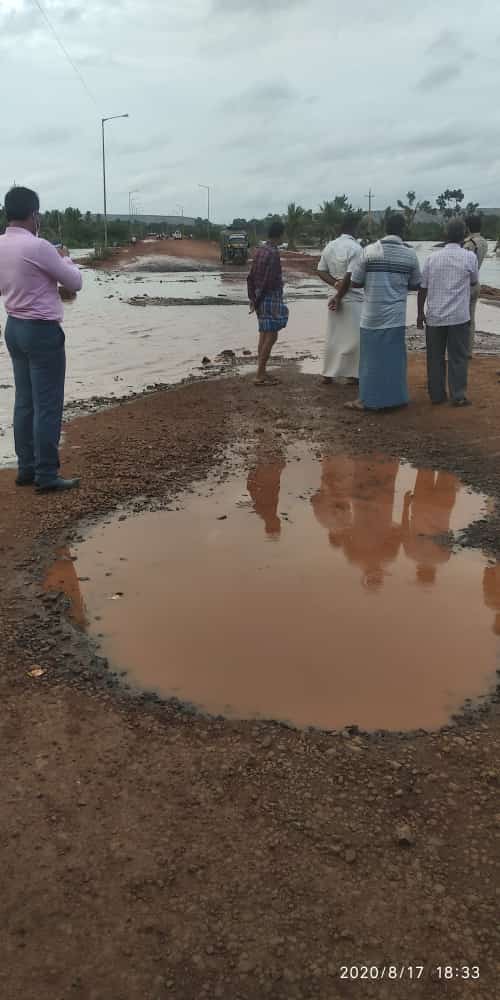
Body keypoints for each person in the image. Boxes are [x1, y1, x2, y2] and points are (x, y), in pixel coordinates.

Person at [0, 186, 82, 491]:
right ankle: (47, 475)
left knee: (24, 401)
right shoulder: (40, 246)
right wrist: (67, 259)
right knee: (47, 404)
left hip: (14, 327)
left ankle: (26, 468)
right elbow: (74, 282)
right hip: (42, 331)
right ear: (34, 215)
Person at [345, 213, 421, 411]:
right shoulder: (410, 254)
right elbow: (415, 284)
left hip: (372, 315)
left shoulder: (369, 251)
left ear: (385, 228)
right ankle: (396, 399)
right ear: (403, 230)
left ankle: (367, 400)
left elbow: (355, 282)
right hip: (396, 316)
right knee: (394, 359)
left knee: (371, 360)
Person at [417, 218, 478, 407]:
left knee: (434, 358)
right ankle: (458, 396)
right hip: (459, 317)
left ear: (445, 235)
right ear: (464, 235)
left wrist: (420, 313)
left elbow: (423, 289)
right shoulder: (470, 257)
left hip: (435, 317)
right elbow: (474, 282)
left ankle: (436, 395)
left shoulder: (431, 258)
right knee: (458, 357)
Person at [317, 213, 362, 385]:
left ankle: (328, 373)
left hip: (334, 297)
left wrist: (335, 285)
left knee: (333, 335)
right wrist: (339, 294)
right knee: (355, 338)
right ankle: (353, 374)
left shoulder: (330, 246)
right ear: (353, 229)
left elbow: (320, 271)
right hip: (352, 298)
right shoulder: (356, 248)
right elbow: (350, 276)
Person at [247, 219, 288, 386]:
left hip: (259, 296)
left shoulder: (260, 250)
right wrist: (260, 297)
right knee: (271, 335)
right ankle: (259, 374)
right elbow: (269, 280)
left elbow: (251, 276)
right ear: (280, 235)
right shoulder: (272, 253)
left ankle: (262, 372)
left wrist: (253, 299)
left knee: (264, 334)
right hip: (269, 296)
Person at [463, 213, 488, 357]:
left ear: (467, 227)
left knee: (461, 319)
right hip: (476, 282)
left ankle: (461, 349)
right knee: (471, 319)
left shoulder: (469, 244)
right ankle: (469, 350)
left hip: (465, 284)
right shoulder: (484, 242)